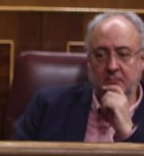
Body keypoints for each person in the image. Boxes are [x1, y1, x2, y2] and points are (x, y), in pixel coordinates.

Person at [14, 11, 144, 142]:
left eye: (123, 54)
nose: (112, 66)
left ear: (142, 60)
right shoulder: (48, 106)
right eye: (100, 55)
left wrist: (128, 131)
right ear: (89, 61)